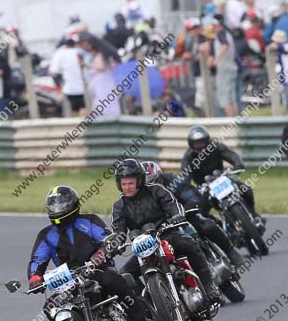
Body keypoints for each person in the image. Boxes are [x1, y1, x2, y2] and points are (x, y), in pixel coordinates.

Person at [27, 185, 151, 321]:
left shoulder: (90, 221)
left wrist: (100, 255)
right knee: (49, 307)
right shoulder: (45, 235)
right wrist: (35, 278)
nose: (58, 209)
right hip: (70, 282)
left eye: (62, 204)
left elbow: (107, 240)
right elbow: (37, 260)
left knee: (111, 280)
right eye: (54, 206)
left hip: (98, 270)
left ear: (73, 204)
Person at [112, 159, 221, 303]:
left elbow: (173, 205)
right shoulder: (119, 206)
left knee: (190, 244)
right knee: (125, 273)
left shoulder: (156, 190)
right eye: (124, 184)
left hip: (167, 235)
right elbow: (118, 230)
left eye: (130, 183)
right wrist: (115, 244)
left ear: (139, 181)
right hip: (143, 246)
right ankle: (151, 305)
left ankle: (209, 286)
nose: (127, 187)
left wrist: (177, 216)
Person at [141, 161, 245, 268]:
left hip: (183, 214)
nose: (154, 186)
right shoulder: (139, 196)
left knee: (205, 225)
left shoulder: (173, 181)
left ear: (160, 177)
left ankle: (230, 251)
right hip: (161, 225)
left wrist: (185, 211)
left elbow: (191, 195)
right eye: (149, 184)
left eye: (155, 181)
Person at [181, 125, 263, 225]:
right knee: (198, 211)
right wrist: (186, 185)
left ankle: (253, 214)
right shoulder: (188, 157)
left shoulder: (215, 147)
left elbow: (230, 155)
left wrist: (237, 164)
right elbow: (185, 174)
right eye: (197, 144)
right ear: (191, 144)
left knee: (246, 189)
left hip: (221, 178)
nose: (200, 146)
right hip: (204, 187)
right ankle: (216, 226)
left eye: (201, 142)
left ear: (207, 141)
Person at [79, 38, 121, 116]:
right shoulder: (97, 57)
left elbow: (101, 67)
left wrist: (86, 64)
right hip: (99, 86)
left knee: (105, 104)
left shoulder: (101, 56)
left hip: (103, 86)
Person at [210, 16, 239, 117]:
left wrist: (216, 60)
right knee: (232, 98)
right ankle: (235, 123)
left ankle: (231, 124)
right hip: (231, 67)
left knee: (224, 98)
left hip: (224, 69)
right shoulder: (227, 33)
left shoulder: (220, 33)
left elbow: (224, 45)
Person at [49, 37, 85, 116]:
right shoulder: (80, 52)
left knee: (72, 110)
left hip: (69, 88)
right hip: (83, 87)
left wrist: (59, 87)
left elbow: (54, 71)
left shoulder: (60, 53)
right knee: (83, 108)